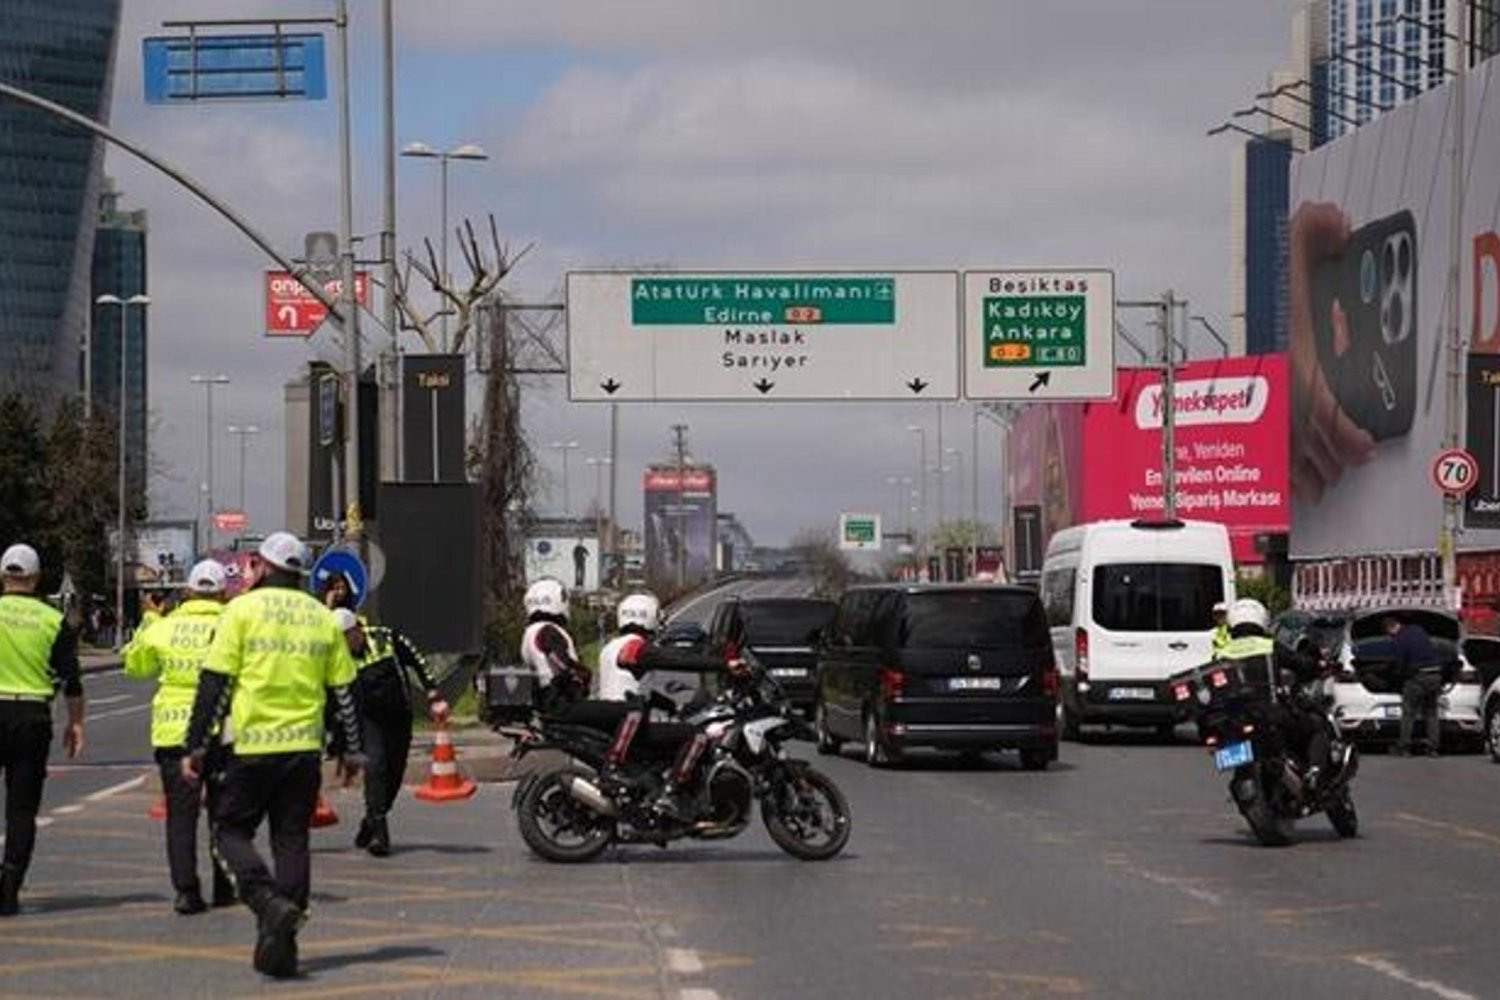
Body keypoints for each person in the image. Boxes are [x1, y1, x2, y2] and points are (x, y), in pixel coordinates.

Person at [181, 531, 363, 979]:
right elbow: (344, 690)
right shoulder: (321, 617)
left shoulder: (240, 610)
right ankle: (283, 945)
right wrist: (352, 748)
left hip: (249, 748)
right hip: (302, 751)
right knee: (292, 842)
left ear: (261, 568)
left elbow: (216, 684)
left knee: (228, 832)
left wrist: (196, 745)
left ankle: (266, 901)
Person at [123, 559, 235, 914]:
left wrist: (151, 619)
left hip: (174, 734)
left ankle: (186, 891)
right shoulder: (233, 625)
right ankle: (225, 886)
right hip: (224, 730)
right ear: (222, 592)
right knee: (224, 813)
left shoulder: (164, 627)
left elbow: (136, 667)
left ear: (187, 591)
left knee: (181, 816)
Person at [0, 544, 85, 916]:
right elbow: (72, 680)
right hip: (32, 717)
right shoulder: (52, 620)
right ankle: (9, 887)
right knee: (21, 808)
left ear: (4, 576)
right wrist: (77, 723)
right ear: (34, 579)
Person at [332, 608, 448, 857]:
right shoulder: (336, 657)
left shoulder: (386, 638)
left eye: (346, 637)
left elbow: (417, 659)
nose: (344, 644)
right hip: (369, 720)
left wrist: (432, 692)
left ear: (357, 630)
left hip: (399, 716)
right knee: (376, 767)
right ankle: (379, 834)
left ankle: (370, 820)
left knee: (394, 776)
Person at [1217, 598, 1331, 787]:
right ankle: (1314, 771)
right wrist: (1316, 664)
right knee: (1317, 726)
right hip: (1270, 712)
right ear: (1262, 621)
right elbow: (1301, 664)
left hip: (1236, 718)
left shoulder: (1222, 652)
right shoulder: (1268, 645)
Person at [519, 578, 591, 713]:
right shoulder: (547, 630)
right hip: (561, 702)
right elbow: (561, 662)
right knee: (623, 711)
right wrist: (583, 674)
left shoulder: (530, 631)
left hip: (546, 700)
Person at [1385, 614, 1445, 757]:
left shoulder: (1399, 639)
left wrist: (1394, 678)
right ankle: (1433, 748)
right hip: (1435, 676)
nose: (1390, 637)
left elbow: (1400, 664)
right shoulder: (1418, 629)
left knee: (1408, 713)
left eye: (1389, 633)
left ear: (1391, 628)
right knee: (1431, 713)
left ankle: (1404, 748)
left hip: (1417, 678)